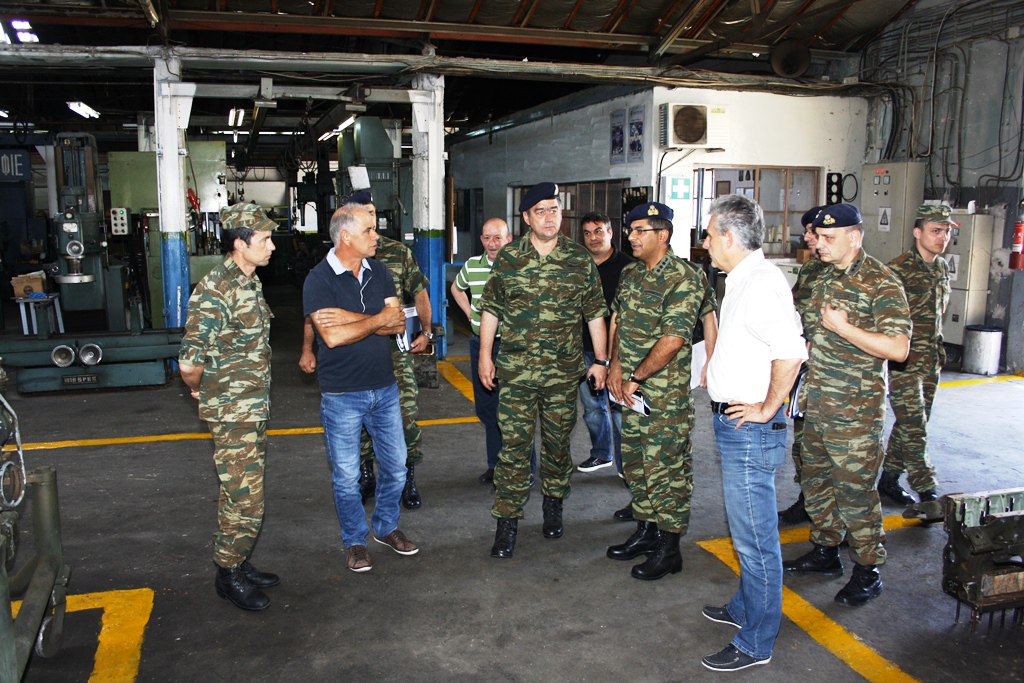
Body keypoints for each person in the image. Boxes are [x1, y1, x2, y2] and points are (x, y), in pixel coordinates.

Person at [784, 203, 910, 608]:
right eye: (817, 236)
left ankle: (868, 570)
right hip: (815, 403)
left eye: (827, 238)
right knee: (816, 482)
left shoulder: (881, 282)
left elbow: (899, 348)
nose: (817, 243)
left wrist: (845, 328)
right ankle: (825, 551)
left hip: (855, 413)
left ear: (854, 237)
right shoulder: (820, 275)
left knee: (855, 493)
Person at [701, 195, 807, 671]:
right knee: (746, 531)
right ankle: (745, 607)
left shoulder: (761, 283)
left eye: (709, 235)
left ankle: (756, 642)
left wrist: (767, 407)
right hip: (735, 423)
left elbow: (791, 351)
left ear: (728, 236)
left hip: (749, 430)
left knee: (755, 540)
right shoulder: (743, 279)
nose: (705, 244)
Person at [478, 182, 608, 559]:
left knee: (557, 446)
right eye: (540, 211)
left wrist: (601, 361)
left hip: (562, 374)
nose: (549, 218)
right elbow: (491, 309)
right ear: (526, 217)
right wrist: (485, 355)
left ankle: (553, 503)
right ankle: (507, 521)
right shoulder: (509, 258)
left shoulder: (578, 258)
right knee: (514, 449)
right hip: (516, 373)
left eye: (554, 209)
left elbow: (594, 313)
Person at [303, 204, 419, 574]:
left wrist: (354, 319)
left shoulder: (379, 271)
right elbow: (332, 338)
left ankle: (385, 526)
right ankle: (355, 540)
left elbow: (397, 324)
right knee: (347, 477)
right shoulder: (318, 279)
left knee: (397, 466)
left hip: (384, 388)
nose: (376, 236)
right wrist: (378, 319)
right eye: (368, 230)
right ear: (346, 236)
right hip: (342, 394)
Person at [179, 202, 280, 612]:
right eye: (265, 239)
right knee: (246, 498)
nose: (272, 246)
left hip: (252, 407)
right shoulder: (216, 290)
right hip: (232, 412)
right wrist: (203, 390)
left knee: (236, 492)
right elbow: (189, 363)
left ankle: (237, 560)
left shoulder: (249, 281)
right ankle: (227, 574)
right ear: (240, 243)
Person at [605, 202, 706, 581]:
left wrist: (635, 377)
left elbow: (674, 339)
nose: (630, 236)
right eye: (630, 230)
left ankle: (669, 547)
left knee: (666, 469)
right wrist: (615, 365)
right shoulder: (631, 274)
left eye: (639, 231)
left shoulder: (685, 277)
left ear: (662, 235)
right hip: (631, 394)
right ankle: (646, 530)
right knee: (636, 463)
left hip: (664, 398)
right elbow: (618, 320)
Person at [880, 204, 952, 509]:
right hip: (903, 363)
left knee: (912, 422)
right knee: (914, 426)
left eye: (946, 231)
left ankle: (889, 478)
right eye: (936, 231)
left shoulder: (941, 268)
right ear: (917, 232)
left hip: (931, 359)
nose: (942, 237)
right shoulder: (897, 270)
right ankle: (926, 489)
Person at [450, 217, 514, 484]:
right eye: (487, 238)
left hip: (510, 346)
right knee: (487, 408)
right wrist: (469, 314)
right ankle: (494, 465)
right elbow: (456, 288)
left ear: (509, 239)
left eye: (498, 238)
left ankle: (521, 469)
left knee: (514, 410)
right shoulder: (472, 266)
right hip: (480, 344)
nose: (492, 243)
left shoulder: (518, 268)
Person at [575, 212, 634, 475]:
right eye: (587, 233)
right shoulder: (579, 266)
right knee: (592, 408)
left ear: (610, 232)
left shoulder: (628, 268)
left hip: (619, 351)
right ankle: (602, 454)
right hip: (584, 349)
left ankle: (626, 465)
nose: (593, 238)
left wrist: (614, 358)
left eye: (598, 231)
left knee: (620, 408)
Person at [778, 204, 825, 525]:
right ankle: (808, 500)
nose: (808, 238)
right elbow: (792, 311)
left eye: (813, 232)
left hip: (840, 381)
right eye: (807, 231)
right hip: (806, 373)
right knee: (805, 445)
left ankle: (835, 519)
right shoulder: (810, 271)